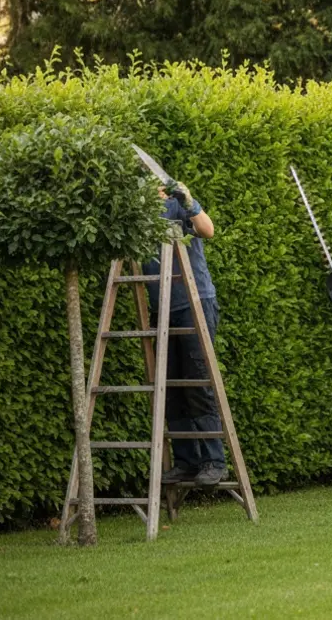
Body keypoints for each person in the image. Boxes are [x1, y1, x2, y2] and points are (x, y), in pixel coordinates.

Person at [144, 181, 226, 485]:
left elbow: (208, 230)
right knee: (171, 387)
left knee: (197, 381)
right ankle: (187, 461)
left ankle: (214, 461)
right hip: (161, 307)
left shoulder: (178, 204)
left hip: (194, 302)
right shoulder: (137, 215)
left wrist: (190, 201)